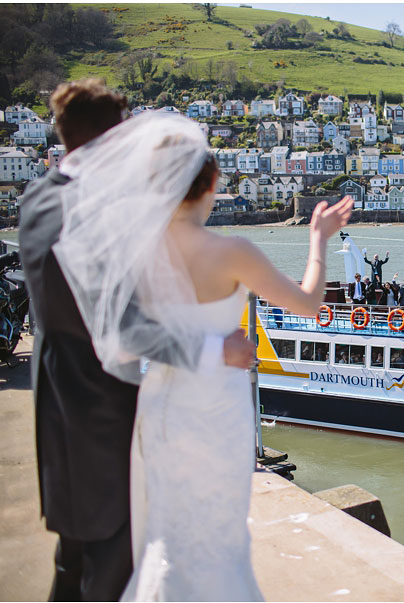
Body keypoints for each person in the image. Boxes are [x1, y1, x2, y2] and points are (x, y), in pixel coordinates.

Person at [51, 111, 353, 601]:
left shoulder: (136, 250)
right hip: (218, 410)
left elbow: (117, 335)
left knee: (167, 530)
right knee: (220, 537)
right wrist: (318, 239)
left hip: (162, 404)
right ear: (212, 182)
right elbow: (310, 304)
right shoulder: (232, 251)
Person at [17, 80, 256, 602]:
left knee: (72, 559)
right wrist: (215, 347)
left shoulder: (37, 196)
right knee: (110, 562)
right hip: (102, 410)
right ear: (114, 138)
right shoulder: (94, 213)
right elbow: (119, 326)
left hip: (56, 400)